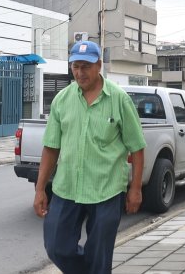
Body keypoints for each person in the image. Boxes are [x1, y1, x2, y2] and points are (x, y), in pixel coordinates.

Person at [33, 40, 146, 274]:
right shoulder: (62, 100)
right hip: (67, 188)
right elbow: (51, 147)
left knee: (99, 255)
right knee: (56, 247)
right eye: (75, 66)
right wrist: (40, 189)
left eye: (86, 66)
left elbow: (137, 148)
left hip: (107, 189)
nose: (80, 72)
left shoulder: (119, 99)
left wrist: (135, 189)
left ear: (99, 65)